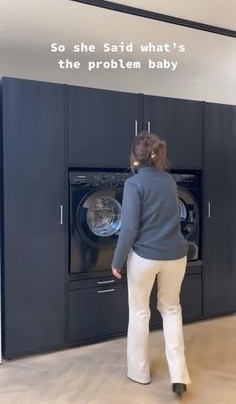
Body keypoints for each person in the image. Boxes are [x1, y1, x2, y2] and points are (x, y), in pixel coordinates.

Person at [111, 131, 191, 396]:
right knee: (171, 310)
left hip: (145, 257)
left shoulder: (134, 184)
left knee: (140, 313)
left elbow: (129, 228)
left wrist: (117, 260)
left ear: (135, 156)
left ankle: (139, 372)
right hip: (176, 255)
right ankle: (179, 376)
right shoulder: (168, 180)